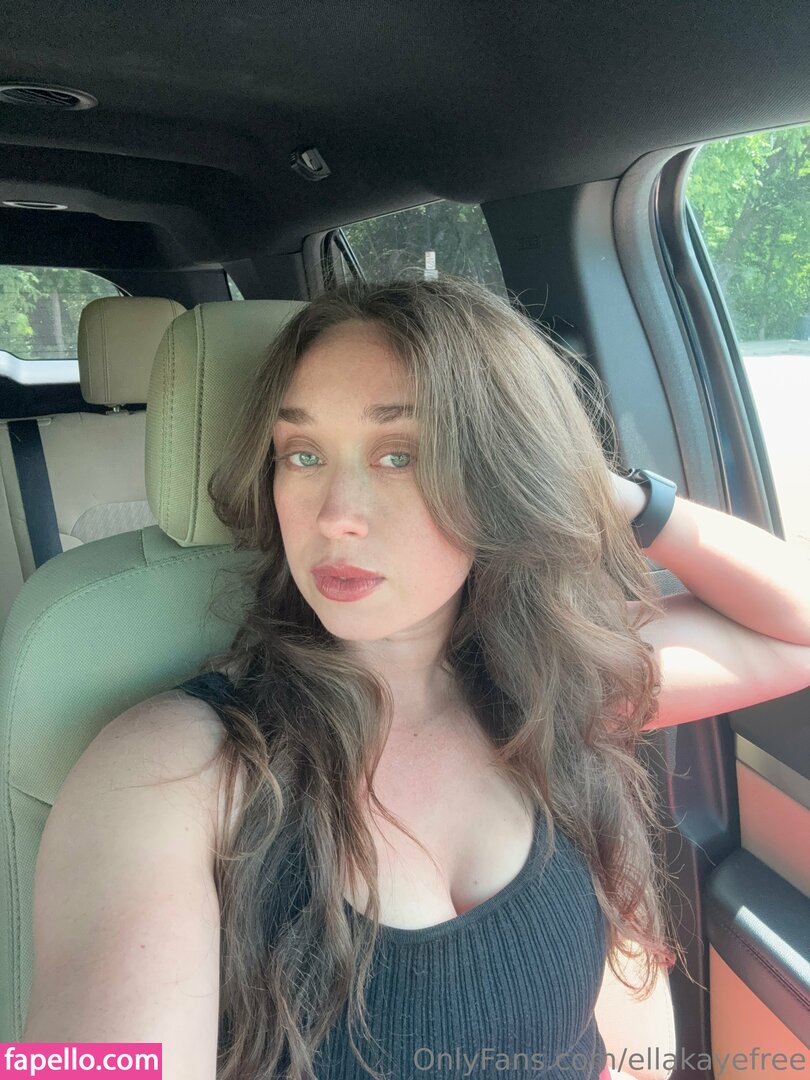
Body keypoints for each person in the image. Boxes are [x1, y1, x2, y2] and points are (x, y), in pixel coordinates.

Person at [170, 274, 681, 1080]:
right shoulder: (178, 764)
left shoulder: (558, 683)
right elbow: (76, 1059)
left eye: (400, 455)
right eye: (302, 454)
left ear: (503, 475)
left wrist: (608, 493)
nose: (335, 513)